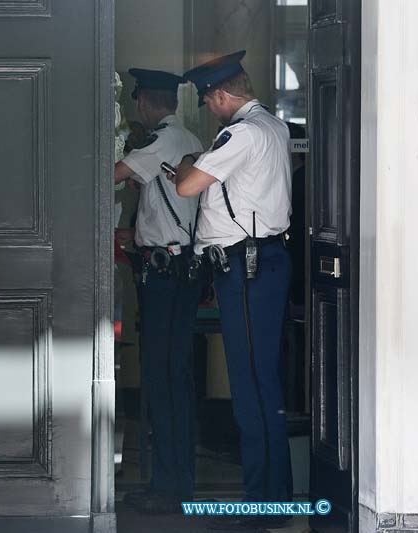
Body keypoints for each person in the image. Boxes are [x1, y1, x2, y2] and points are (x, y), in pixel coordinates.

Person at [175, 51, 293, 530]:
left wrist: (187, 161)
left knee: (250, 386)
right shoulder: (273, 125)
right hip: (263, 263)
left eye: (209, 101)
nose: (210, 108)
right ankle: (273, 497)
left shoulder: (240, 134)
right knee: (261, 382)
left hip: (247, 270)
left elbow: (187, 186)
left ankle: (265, 504)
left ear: (222, 95)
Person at [113, 69, 204, 514]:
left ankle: (170, 485)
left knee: (164, 379)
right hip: (173, 268)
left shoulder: (162, 141)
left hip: (166, 276)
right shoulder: (183, 137)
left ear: (146, 103)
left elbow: (112, 175)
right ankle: (175, 479)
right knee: (172, 377)